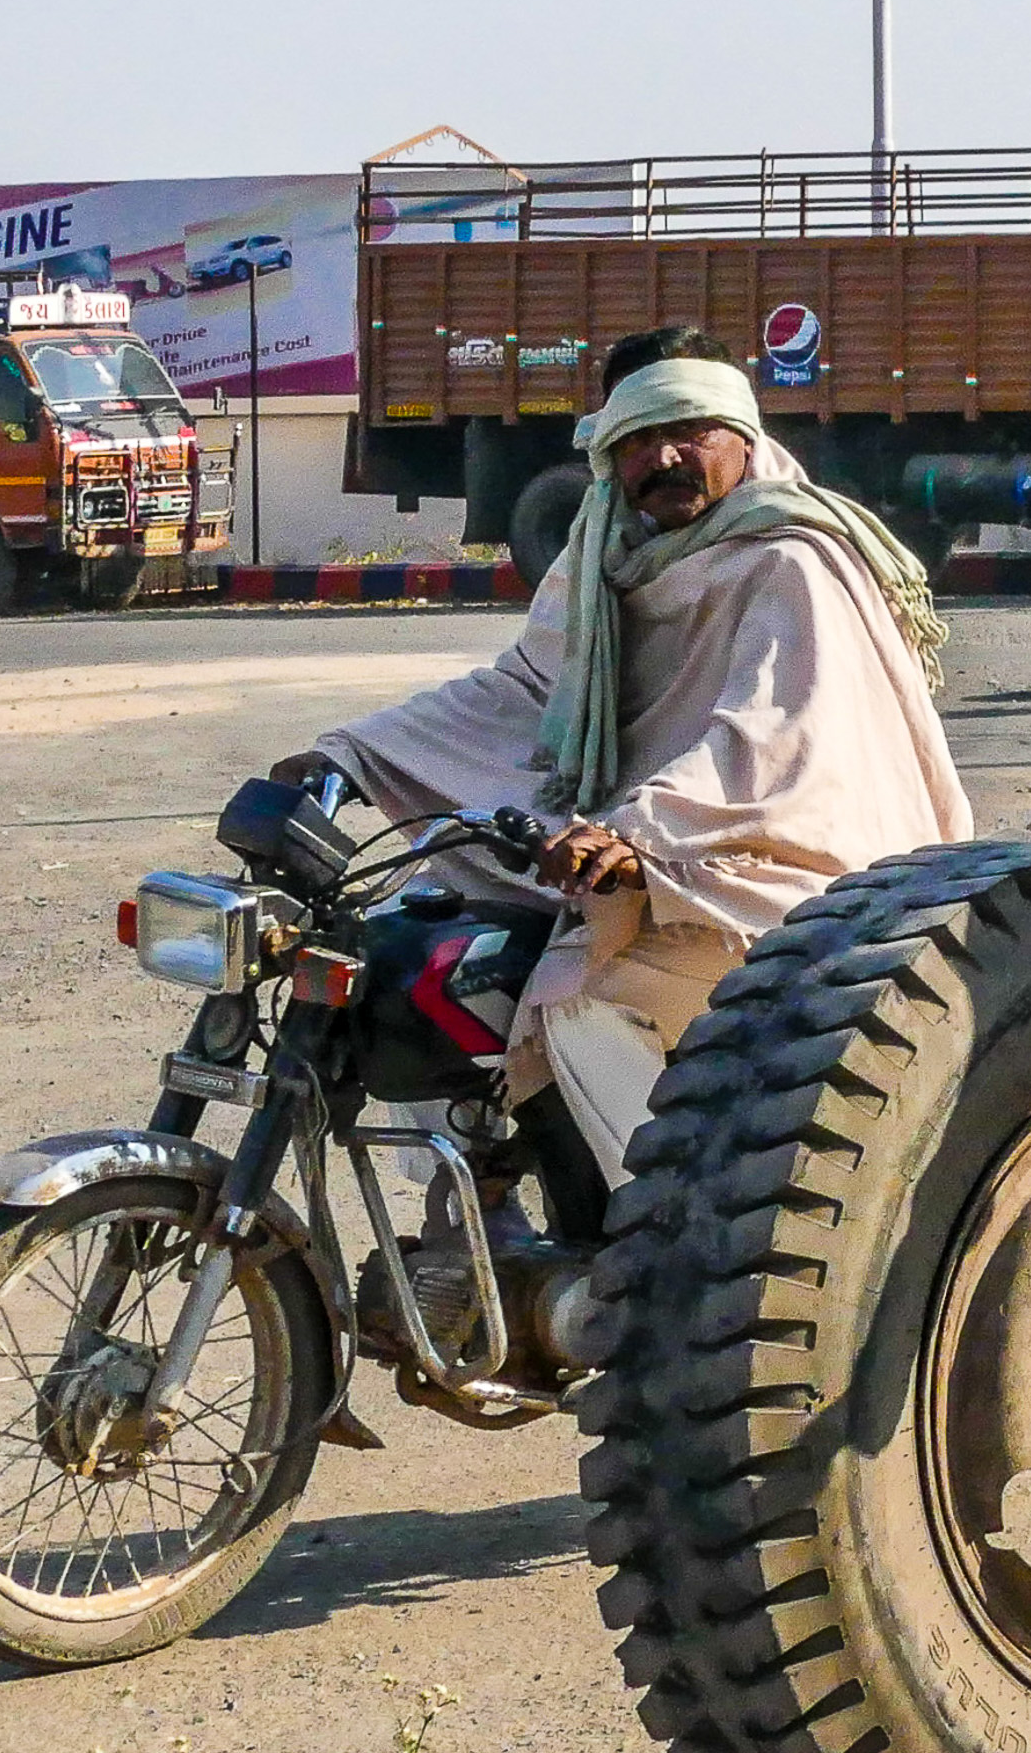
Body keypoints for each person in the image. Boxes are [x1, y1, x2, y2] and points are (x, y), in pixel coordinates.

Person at [284, 327, 972, 1181]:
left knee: (584, 1002)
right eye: (640, 436)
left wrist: (637, 833)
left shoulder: (793, 559)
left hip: (785, 874)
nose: (666, 456)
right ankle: (469, 1216)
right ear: (609, 450)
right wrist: (352, 756)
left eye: (690, 430)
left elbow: (769, 733)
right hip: (643, 858)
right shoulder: (604, 547)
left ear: (741, 437)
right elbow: (531, 687)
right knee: (407, 957)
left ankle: (668, 1233)